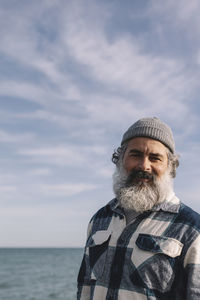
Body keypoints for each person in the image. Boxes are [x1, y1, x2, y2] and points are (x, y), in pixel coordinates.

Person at [77, 117, 200, 300]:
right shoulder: (99, 220)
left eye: (155, 158)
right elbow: (85, 290)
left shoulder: (192, 229)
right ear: (120, 159)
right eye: (135, 155)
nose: (144, 165)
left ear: (170, 166)